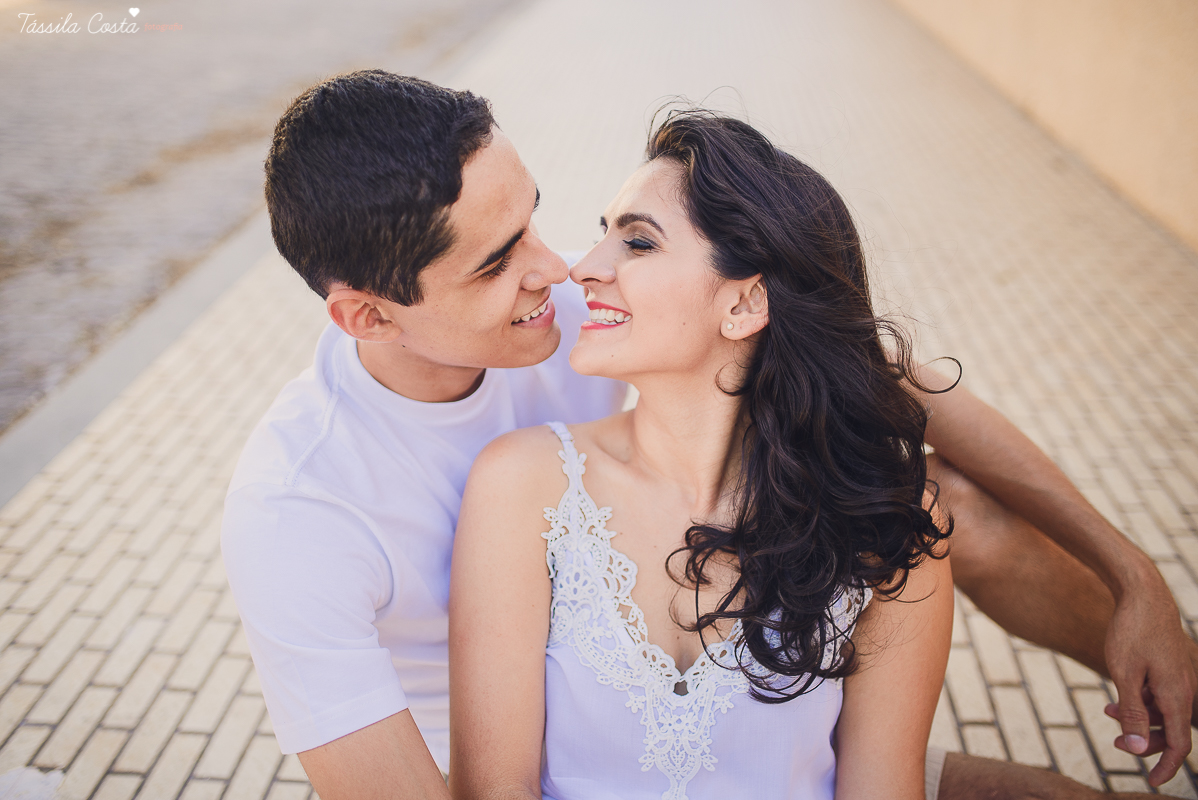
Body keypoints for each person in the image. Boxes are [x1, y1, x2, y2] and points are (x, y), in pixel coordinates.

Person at [220, 70, 1194, 800]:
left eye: (538, 222)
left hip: (773, 726)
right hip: (529, 748)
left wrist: (1132, 574)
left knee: (931, 515)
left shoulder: (574, 315)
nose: (563, 267)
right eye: (497, 260)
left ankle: (1164, 671)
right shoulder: (299, 509)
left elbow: (881, 376)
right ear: (368, 317)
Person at [449, 110, 956, 799]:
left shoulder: (889, 524)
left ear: (746, 304)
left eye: (638, 243)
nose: (584, 268)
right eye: (605, 235)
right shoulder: (523, 485)